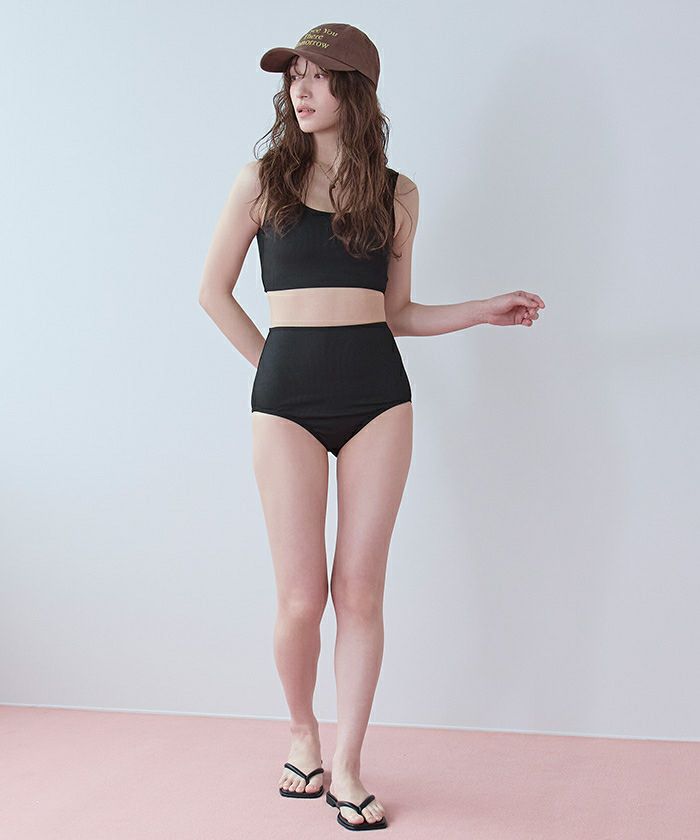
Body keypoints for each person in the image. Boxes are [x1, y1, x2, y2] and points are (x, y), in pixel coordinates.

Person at [198, 22, 545, 832]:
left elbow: (397, 313)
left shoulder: (397, 193)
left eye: (319, 76)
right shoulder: (261, 180)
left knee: (359, 591)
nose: (301, 89)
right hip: (286, 403)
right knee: (300, 597)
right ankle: (303, 733)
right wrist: (275, 369)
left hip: (378, 400)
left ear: (354, 89)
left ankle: (349, 764)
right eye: (294, 76)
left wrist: (481, 310)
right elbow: (212, 291)